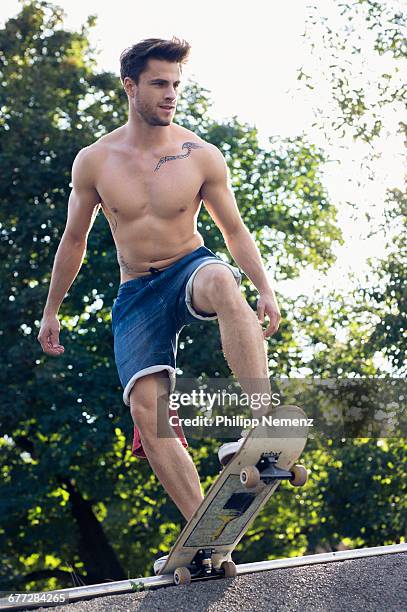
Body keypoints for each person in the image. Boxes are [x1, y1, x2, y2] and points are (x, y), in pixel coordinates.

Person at [37, 37, 281, 574]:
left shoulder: (200, 155)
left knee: (221, 278)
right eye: (160, 84)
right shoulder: (95, 161)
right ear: (131, 86)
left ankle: (262, 420)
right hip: (135, 293)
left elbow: (233, 230)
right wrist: (52, 308)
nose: (171, 95)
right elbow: (73, 240)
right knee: (147, 414)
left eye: (176, 84)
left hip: (188, 267)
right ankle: (209, 538)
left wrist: (263, 286)